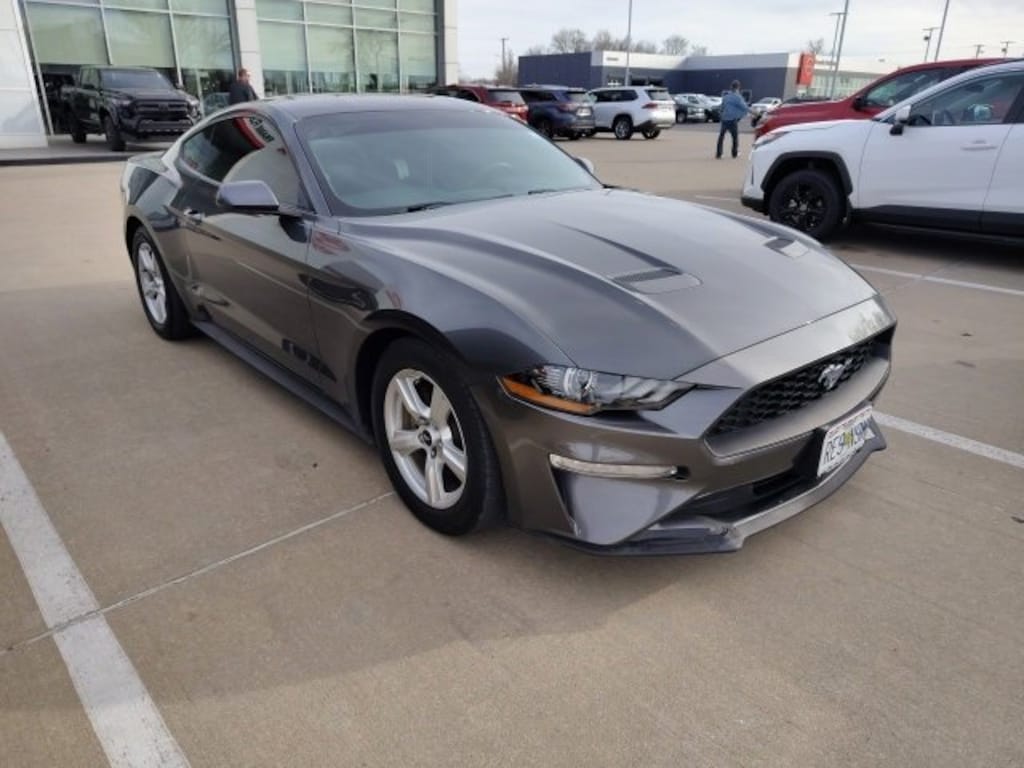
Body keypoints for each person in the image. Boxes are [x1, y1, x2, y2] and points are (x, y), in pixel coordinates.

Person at [716, 80, 755, 159]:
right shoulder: (738, 97)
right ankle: (734, 153)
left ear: (731, 87)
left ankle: (719, 154)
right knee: (735, 137)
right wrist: (756, 113)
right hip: (732, 120)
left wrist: (721, 116)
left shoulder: (726, 97)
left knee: (721, 137)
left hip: (725, 119)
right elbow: (745, 108)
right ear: (738, 87)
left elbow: (721, 108)